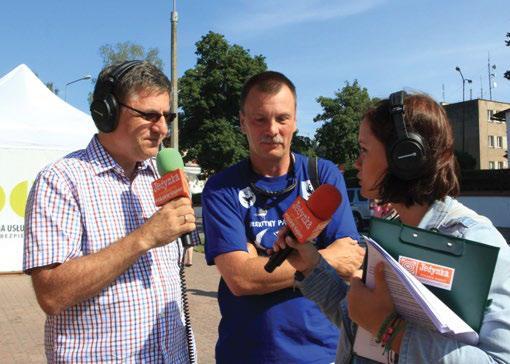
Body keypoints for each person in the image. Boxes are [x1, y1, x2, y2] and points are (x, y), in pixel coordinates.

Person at [273, 92, 510, 363]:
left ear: (405, 158)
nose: (356, 163)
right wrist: (311, 265)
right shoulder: (388, 233)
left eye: (364, 150)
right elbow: (360, 324)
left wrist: (391, 330)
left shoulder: (478, 244)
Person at [23, 60, 197, 363]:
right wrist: (145, 237)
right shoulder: (61, 180)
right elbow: (51, 294)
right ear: (107, 112)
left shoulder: (159, 176)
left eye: (167, 116)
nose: (163, 129)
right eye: (149, 116)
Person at [202, 71, 365, 363]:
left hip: (323, 354)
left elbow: (350, 258)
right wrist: (320, 260)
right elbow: (240, 279)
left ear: (295, 120)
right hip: (247, 354)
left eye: (282, 118)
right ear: (242, 122)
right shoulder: (222, 188)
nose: (272, 130)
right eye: (259, 119)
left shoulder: (322, 175)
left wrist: (257, 262)